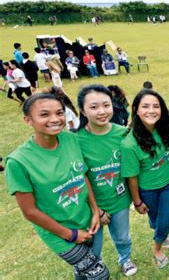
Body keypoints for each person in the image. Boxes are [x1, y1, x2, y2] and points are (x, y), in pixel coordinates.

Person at [5, 93, 109, 279]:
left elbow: (82, 174)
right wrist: (70, 234)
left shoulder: (70, 139)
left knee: (87, 268)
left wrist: (95, 211)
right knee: (99, 274)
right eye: (44, 114)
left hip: (88, 222)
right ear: (28, 120)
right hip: (59, 233)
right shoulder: (18, 162)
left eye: (59, 113)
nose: (55, 119)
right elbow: (30, 212)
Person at [76, 85, 138, 276]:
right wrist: (97, 210)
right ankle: (96, 265)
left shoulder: (123, 133)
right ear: (82, 110)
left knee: (122, 236)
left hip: (119, 200)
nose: (102, 112)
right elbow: (79, 179)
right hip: (91, 207)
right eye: (94, 107)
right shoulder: (75, 140)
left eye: (106, 105)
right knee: (94, 243)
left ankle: (125, 259)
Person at [121, 89, 169, 269]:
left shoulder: (165, 129)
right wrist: (137, 201)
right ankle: (161, 232)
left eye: (156, 106)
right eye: (145, 106)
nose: (151, 110)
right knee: (154, 218)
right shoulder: (129, 144)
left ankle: (157, 248)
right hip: (148, 190)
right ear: (136, 109)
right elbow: (131, 177)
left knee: (164, 220)